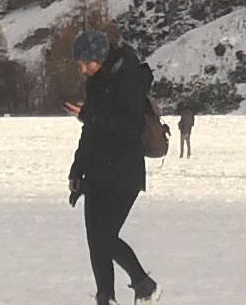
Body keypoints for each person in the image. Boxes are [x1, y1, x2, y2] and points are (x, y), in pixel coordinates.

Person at [65, 30, 159, 304]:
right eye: (80, 63)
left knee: (104, 237)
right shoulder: (96, 83)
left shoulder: (129, 80)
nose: (83, 69)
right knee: (96, 241)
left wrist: (88, 114)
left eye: (87, 62)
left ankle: (145, 286)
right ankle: (106, 298)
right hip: (96, 171)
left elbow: (129, 128)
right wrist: (77, 169)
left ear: (102, 57)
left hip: (123, 172)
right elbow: (91, 131)